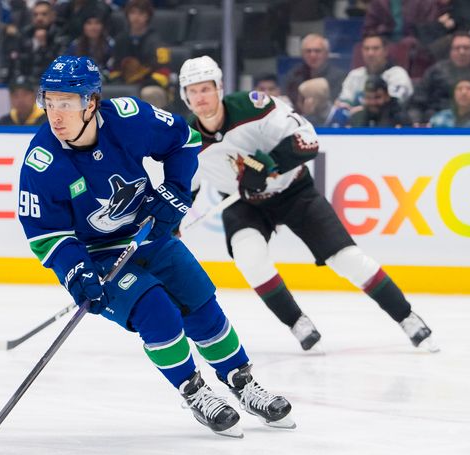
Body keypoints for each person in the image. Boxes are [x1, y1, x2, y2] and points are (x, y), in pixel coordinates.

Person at [17, 55, 294, 437]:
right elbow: (45, 233)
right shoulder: (42, 161)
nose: (55, 115)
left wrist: (175, 192)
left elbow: (185, 140)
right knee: (156, 310)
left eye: (66, 103)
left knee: (200, 303)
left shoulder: (129, 119)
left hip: (149, 232)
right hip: (97, 256)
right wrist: (75, 271)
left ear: (91, 102)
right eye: (49, 103)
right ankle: (194, 391)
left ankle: (242, 382)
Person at [179, 56, 437, 353]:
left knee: (347, 258)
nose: (200, 98)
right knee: (249, 258)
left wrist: (271, 164)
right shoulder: (188, 139)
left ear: (219, 88)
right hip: (244, 203)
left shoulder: (254, 107)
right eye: (193, 91)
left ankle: (407, 317)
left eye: (206, 89)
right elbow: (186, 186)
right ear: (185, 96)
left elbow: (307, 140)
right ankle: (297, 322)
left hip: (293, 191)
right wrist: (171, 223)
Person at [409, 32, 470, 124]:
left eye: (466, 48)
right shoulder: (436, 71)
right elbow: (416, 103)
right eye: (457, 48)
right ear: (450, 52)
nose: (462, 52)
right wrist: (416, 123)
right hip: (433, 124)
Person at [336, 34, 414, 109]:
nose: (370, 53)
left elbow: (394, 104)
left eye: (375, 48)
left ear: (385, 51)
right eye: (366, 49)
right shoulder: (354, 75)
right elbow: (343, 104)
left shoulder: (398, 74)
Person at [284, 34, 346, 110]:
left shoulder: (339, 76)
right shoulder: (294, 75)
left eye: (317, 51)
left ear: (326, 54)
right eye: (308, 51)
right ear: (302, 54)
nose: (313, 55)